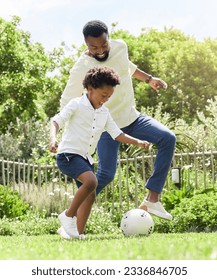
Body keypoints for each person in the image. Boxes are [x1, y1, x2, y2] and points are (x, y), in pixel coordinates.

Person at [60, 20, 176, 236]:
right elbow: (66, 100)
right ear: (86, 44)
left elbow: (127, 68)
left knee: (168, 138)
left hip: (132, 118)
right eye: (94, 48)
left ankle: (152, 198)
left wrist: (149, 79)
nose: (101, 51)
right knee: (104, 176)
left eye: (104, 45)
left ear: (109, 38)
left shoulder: (120, 47)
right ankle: (72, 221)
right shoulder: (81, 68)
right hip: (106, 128)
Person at [49, 66, 150, 239]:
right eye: (103, 95)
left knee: (90, 194)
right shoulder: (76, 104)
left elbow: (117, 134)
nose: (105, 100)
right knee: (91, 181)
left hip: (85, 159)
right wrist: (53, 139)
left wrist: (137, 141)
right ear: (90, 89)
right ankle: (67, 216)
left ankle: (77, 233)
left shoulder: (104, 112)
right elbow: (56, 121)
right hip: (68, 155)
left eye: (109, 97)